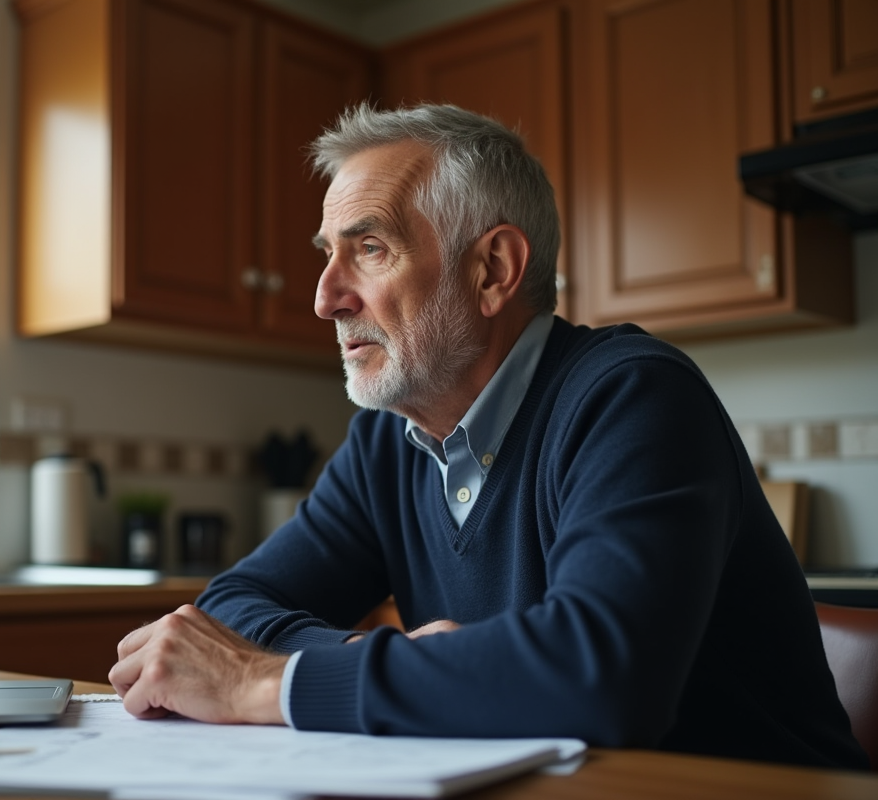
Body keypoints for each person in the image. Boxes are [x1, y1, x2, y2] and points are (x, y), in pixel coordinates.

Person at [108, 104, 869, 770]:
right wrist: (379, 663)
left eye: (368, 248)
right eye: (327, 255)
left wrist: (261, 682)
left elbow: (602, 680)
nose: (324, 298)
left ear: (493, 270)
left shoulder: (631, 395)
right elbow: (235, 605)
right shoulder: (386, 442)